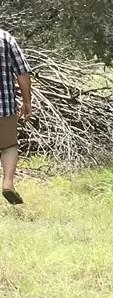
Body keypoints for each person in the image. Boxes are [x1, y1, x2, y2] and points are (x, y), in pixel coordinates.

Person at [0, 29, 32, 205]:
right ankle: (8, 184)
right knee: (9, 146)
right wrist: (27, 101)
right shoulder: (5, 38)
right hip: (4, 108)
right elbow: (22, 72)